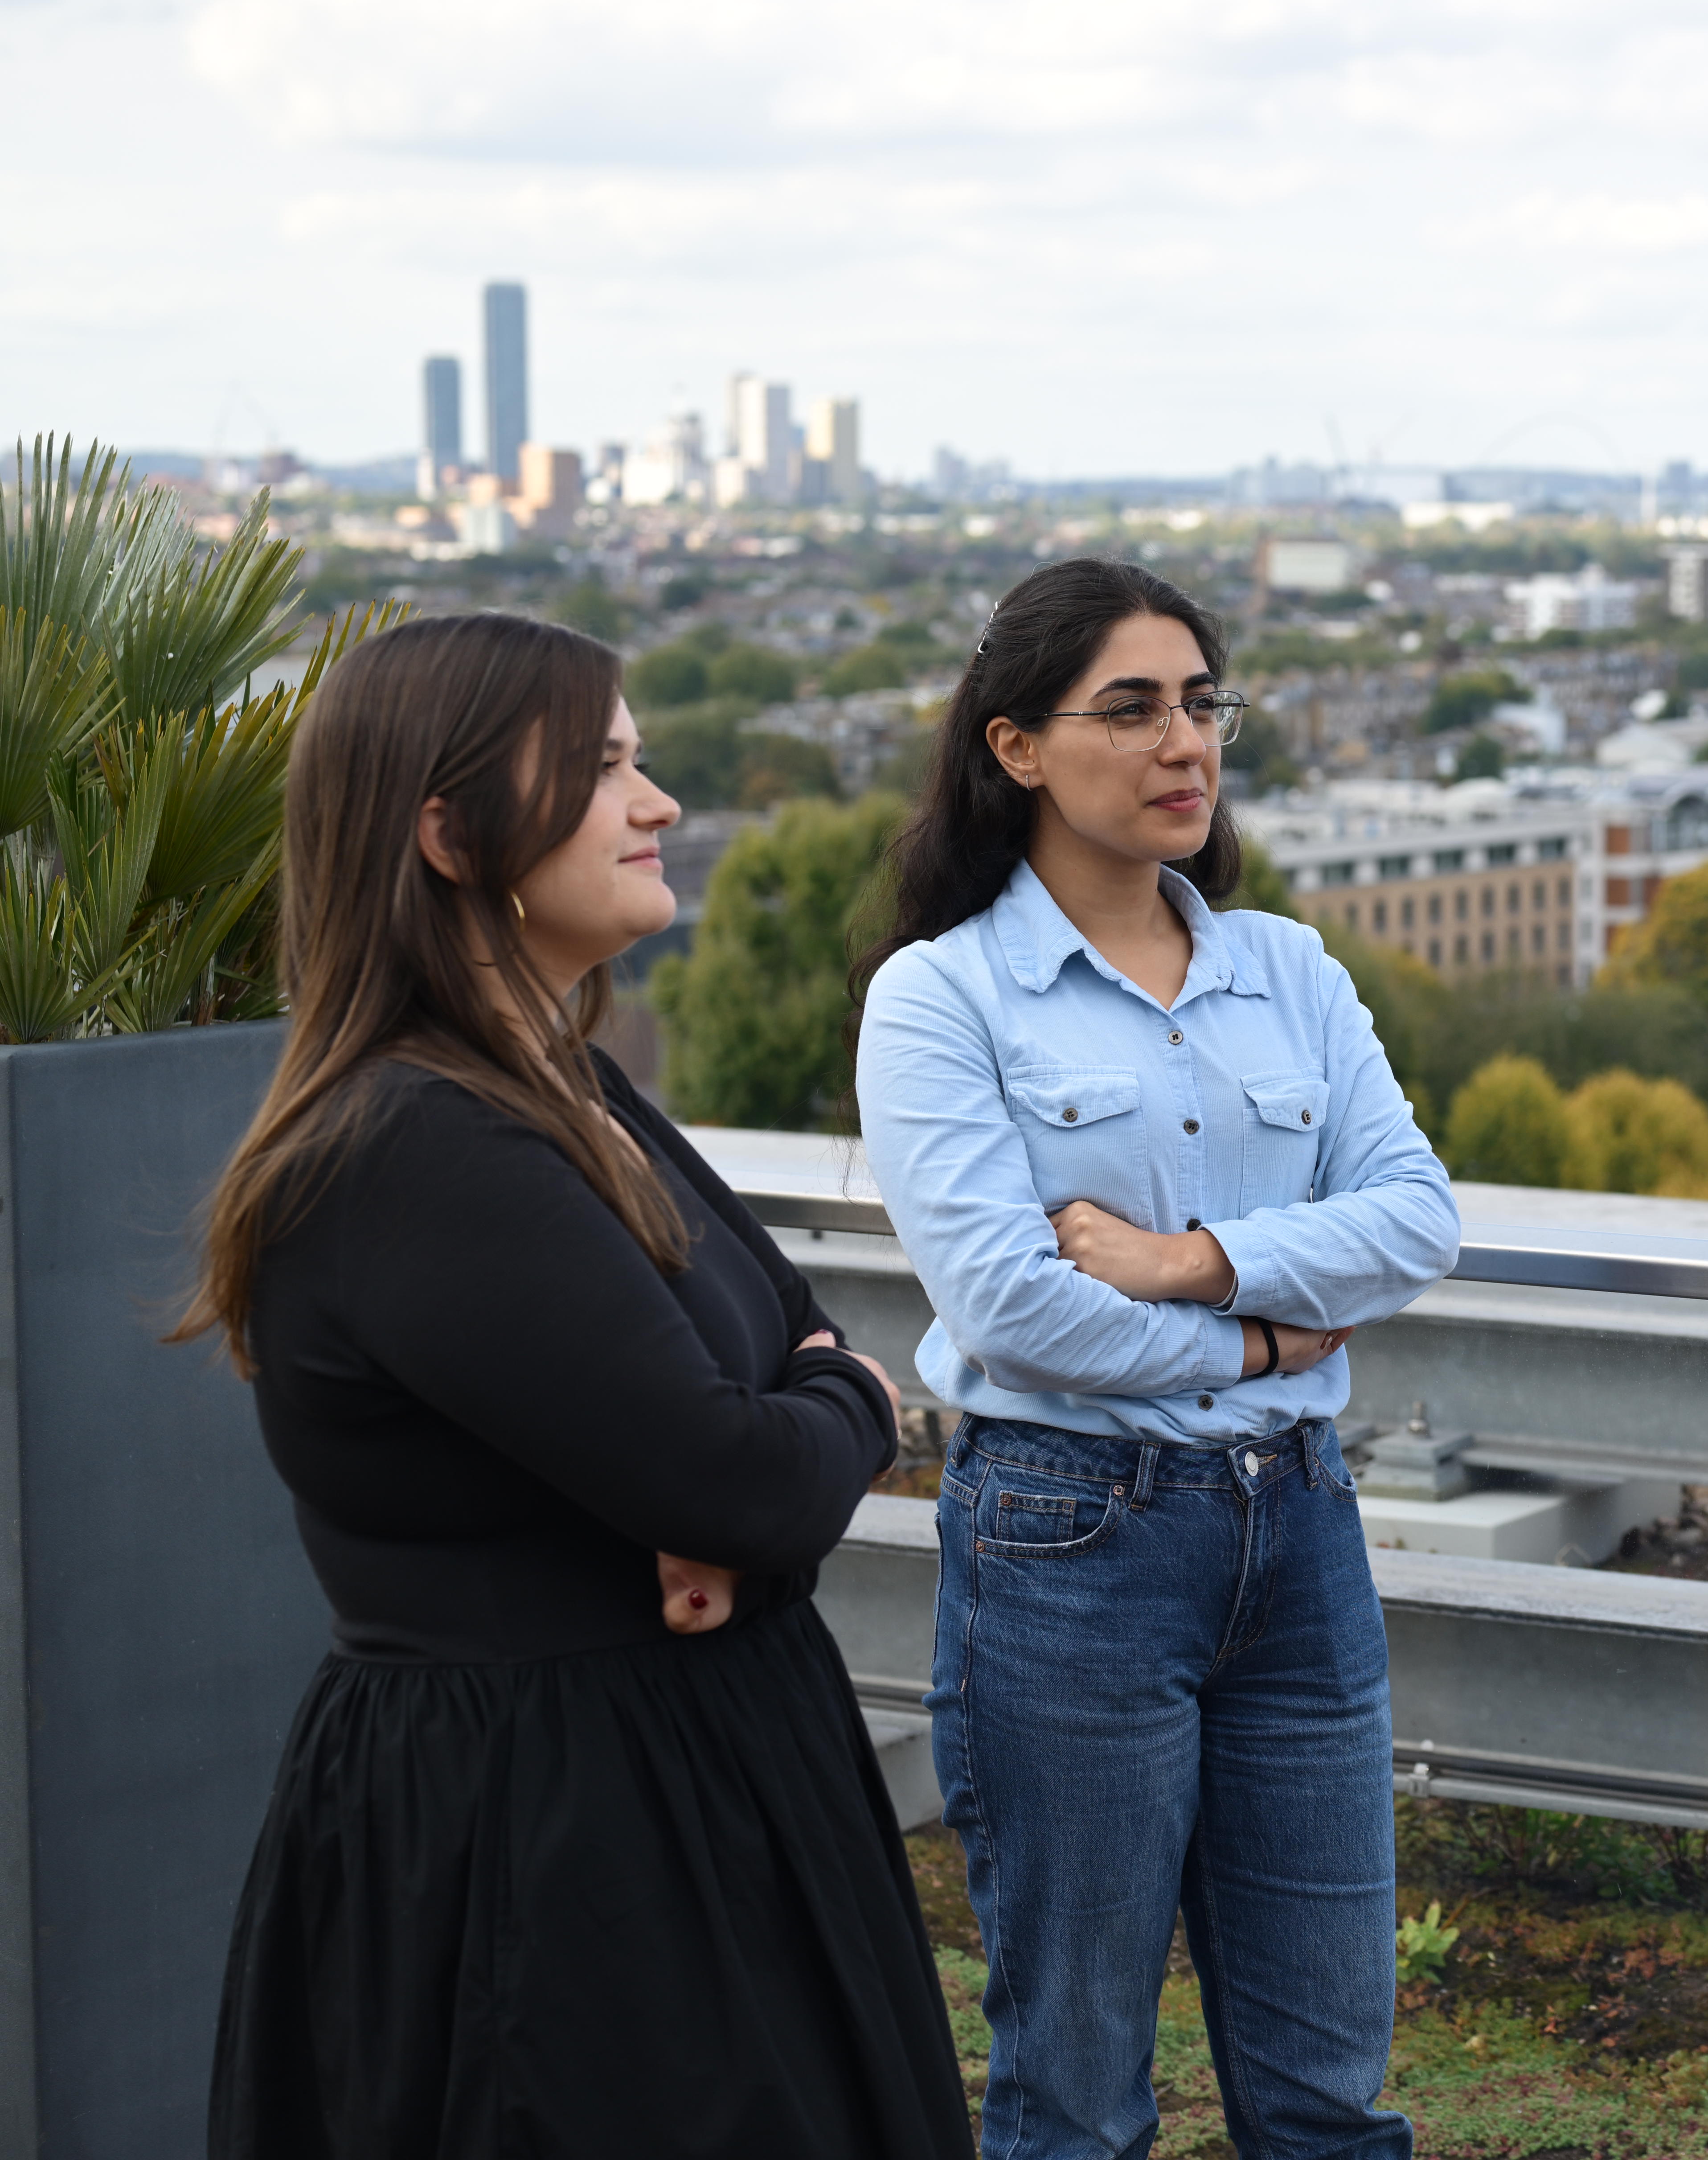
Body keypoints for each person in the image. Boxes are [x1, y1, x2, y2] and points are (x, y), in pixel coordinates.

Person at [194, 613, 968, 2156]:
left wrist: (779, 1433)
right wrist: (853, 1416)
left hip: (678, 1787)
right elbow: (742, 1472)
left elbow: (783, 1337)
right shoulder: (418, 1147)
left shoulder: (561, 1080)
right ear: (450, 829)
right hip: (546, 1859)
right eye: (607, 763)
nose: (659, 800)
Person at [856, 558, 1457, 2160]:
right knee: (1077, 2084)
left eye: (1203, 702)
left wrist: (1192, 1263)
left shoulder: (1294, 972)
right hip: (1068, 1542)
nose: (1184, 740)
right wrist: (1267, 1327)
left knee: (1332, 2088)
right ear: (1018, 749)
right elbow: (1013, 1304)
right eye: (1130, 708)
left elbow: (1416, 1221)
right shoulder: (942, 997)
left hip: (1301, 1532)